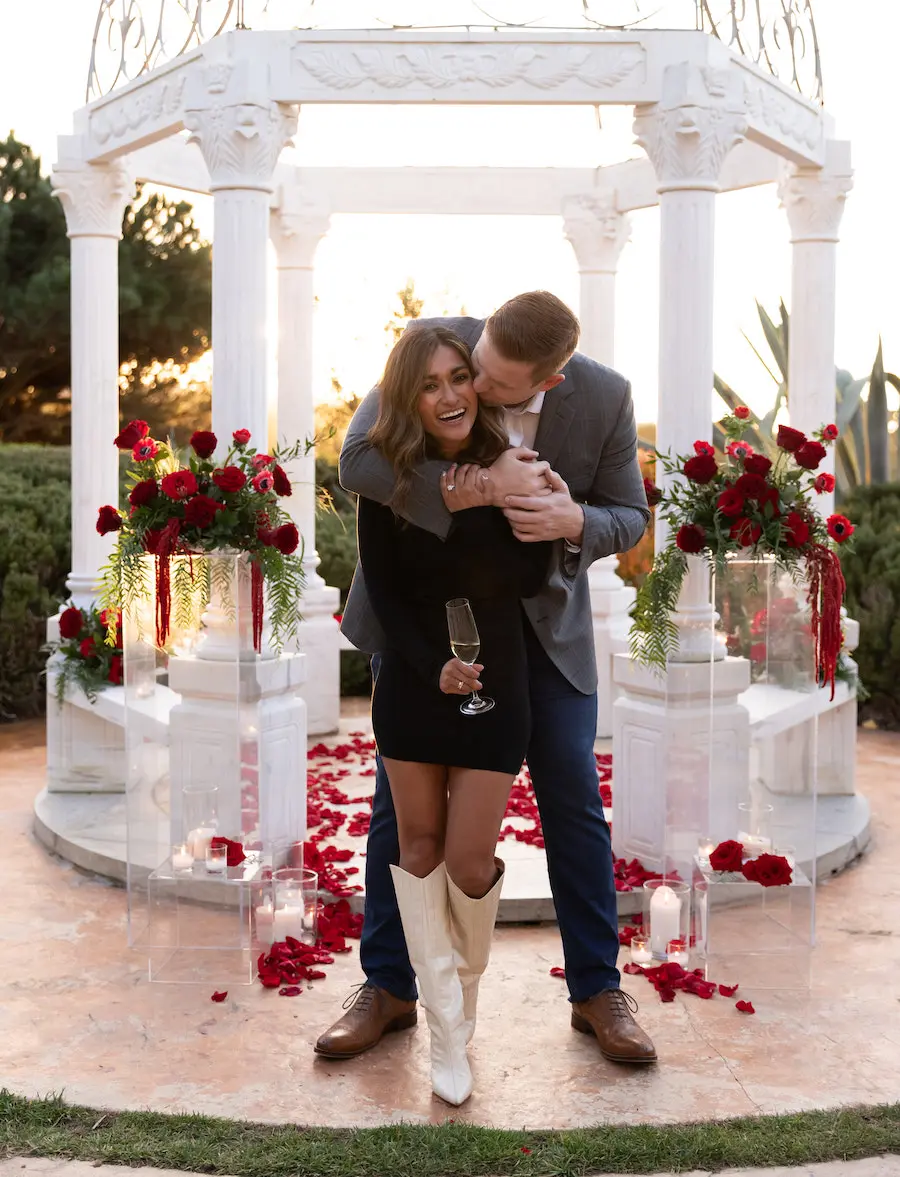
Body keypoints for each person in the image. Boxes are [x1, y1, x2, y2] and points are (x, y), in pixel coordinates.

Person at [315, 291, 657, 1073]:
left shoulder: (606, 395)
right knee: (398, 812)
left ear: (554, 379)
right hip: (422, 625)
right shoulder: (441, 351)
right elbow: (358, 459)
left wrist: (574, 524)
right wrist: (463, 487)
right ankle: (388, 986)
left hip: (541, 626)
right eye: (480, 372)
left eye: (500, 386)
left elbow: (629, 516)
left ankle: (597, 988)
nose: (478, 393)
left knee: (571, 791)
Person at [352, 324, 550, 1105]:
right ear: (410, 397)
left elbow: (529, 574)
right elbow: (385, 594)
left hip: (498, 682)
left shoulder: (513, 466)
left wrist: (494, 491)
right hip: (410, 681)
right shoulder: (390, 480)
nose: (447, 395)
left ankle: (456, 1007)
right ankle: (446, 1034)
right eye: (429, 383)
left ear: (478, 383)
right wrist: (429, 660)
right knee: (420, 846)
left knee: (470, 862)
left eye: (458, 377)